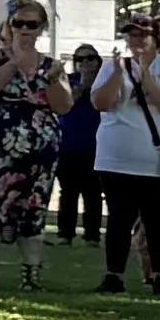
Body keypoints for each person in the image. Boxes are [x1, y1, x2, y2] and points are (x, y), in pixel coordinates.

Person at [0, 0, 69, 290]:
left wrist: (51, 80)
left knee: (32, 208)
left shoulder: (51, 65)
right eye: (18, 23)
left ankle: (30, 275)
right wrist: (15, 63)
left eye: (31, 24)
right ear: (8, 25)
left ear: (42, 28)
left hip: (38, 152)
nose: (24, 30)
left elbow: (63, 106)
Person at [92, 14, 160, 295]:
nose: (136, 41)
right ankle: (114, 275)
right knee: (119, 219)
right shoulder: (113, 66)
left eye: (143, 35)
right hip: (116, 157)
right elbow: (101, 103)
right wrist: (115, 73)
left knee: (158, 220)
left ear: (155, 39)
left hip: (157, 159)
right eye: (131, 35)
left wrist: (146, 76)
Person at [52, 44, 105, 245]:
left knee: (93, 192)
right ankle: (65, 233)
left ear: (98, 61)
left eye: (89, 58)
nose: (85, 63)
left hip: (97, 146)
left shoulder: (105, 82)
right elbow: (63, 105)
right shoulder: (68, 80)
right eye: (80, 59)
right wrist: (81, 86)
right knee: (68, 192)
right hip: (68, 145)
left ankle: (92, 235)